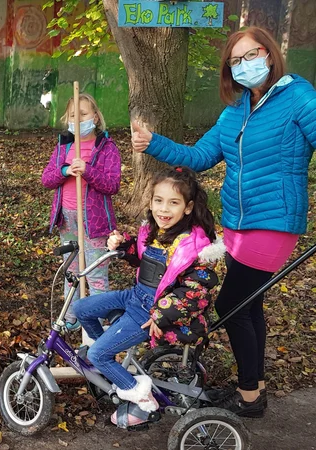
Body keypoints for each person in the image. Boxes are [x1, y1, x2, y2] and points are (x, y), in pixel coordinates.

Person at [131, 26, 316, 417]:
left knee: (232, 303)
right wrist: (153, 142)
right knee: (249, 306)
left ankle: (248, 394)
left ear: (269, 53)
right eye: (235, 61)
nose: (244, 65)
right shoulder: (234, 112)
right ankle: (256, 390)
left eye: (251, 55)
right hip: (236, 224)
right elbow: (200, 155)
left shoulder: (298, 97)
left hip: (275, 222)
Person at [73, 167, 221, 427]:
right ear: (151, 202)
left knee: (97, 355)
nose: (163, 209)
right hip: (134, 296)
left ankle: (143, 400)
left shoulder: (194, 246)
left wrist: (161, 314)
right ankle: (110, 356)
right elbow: (144, 259)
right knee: (82, 308)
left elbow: (195, 291)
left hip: (152, 310)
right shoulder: (154, 232)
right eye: (158, 201)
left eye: (173, 203)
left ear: (187, 208)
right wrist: (124, 245)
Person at [41, 93, 121, 331]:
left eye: (83, 114)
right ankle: (72, 316)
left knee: (95, 272)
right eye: (73, 116)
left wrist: (88, 170)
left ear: (95, 117)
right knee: (72, 269)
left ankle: (97, 320)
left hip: (94, 221)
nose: (78, 120)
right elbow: (47, 179)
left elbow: (112, 184)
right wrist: (65, 170)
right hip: (67, 218)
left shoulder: (106, 148)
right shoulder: (64, 147)